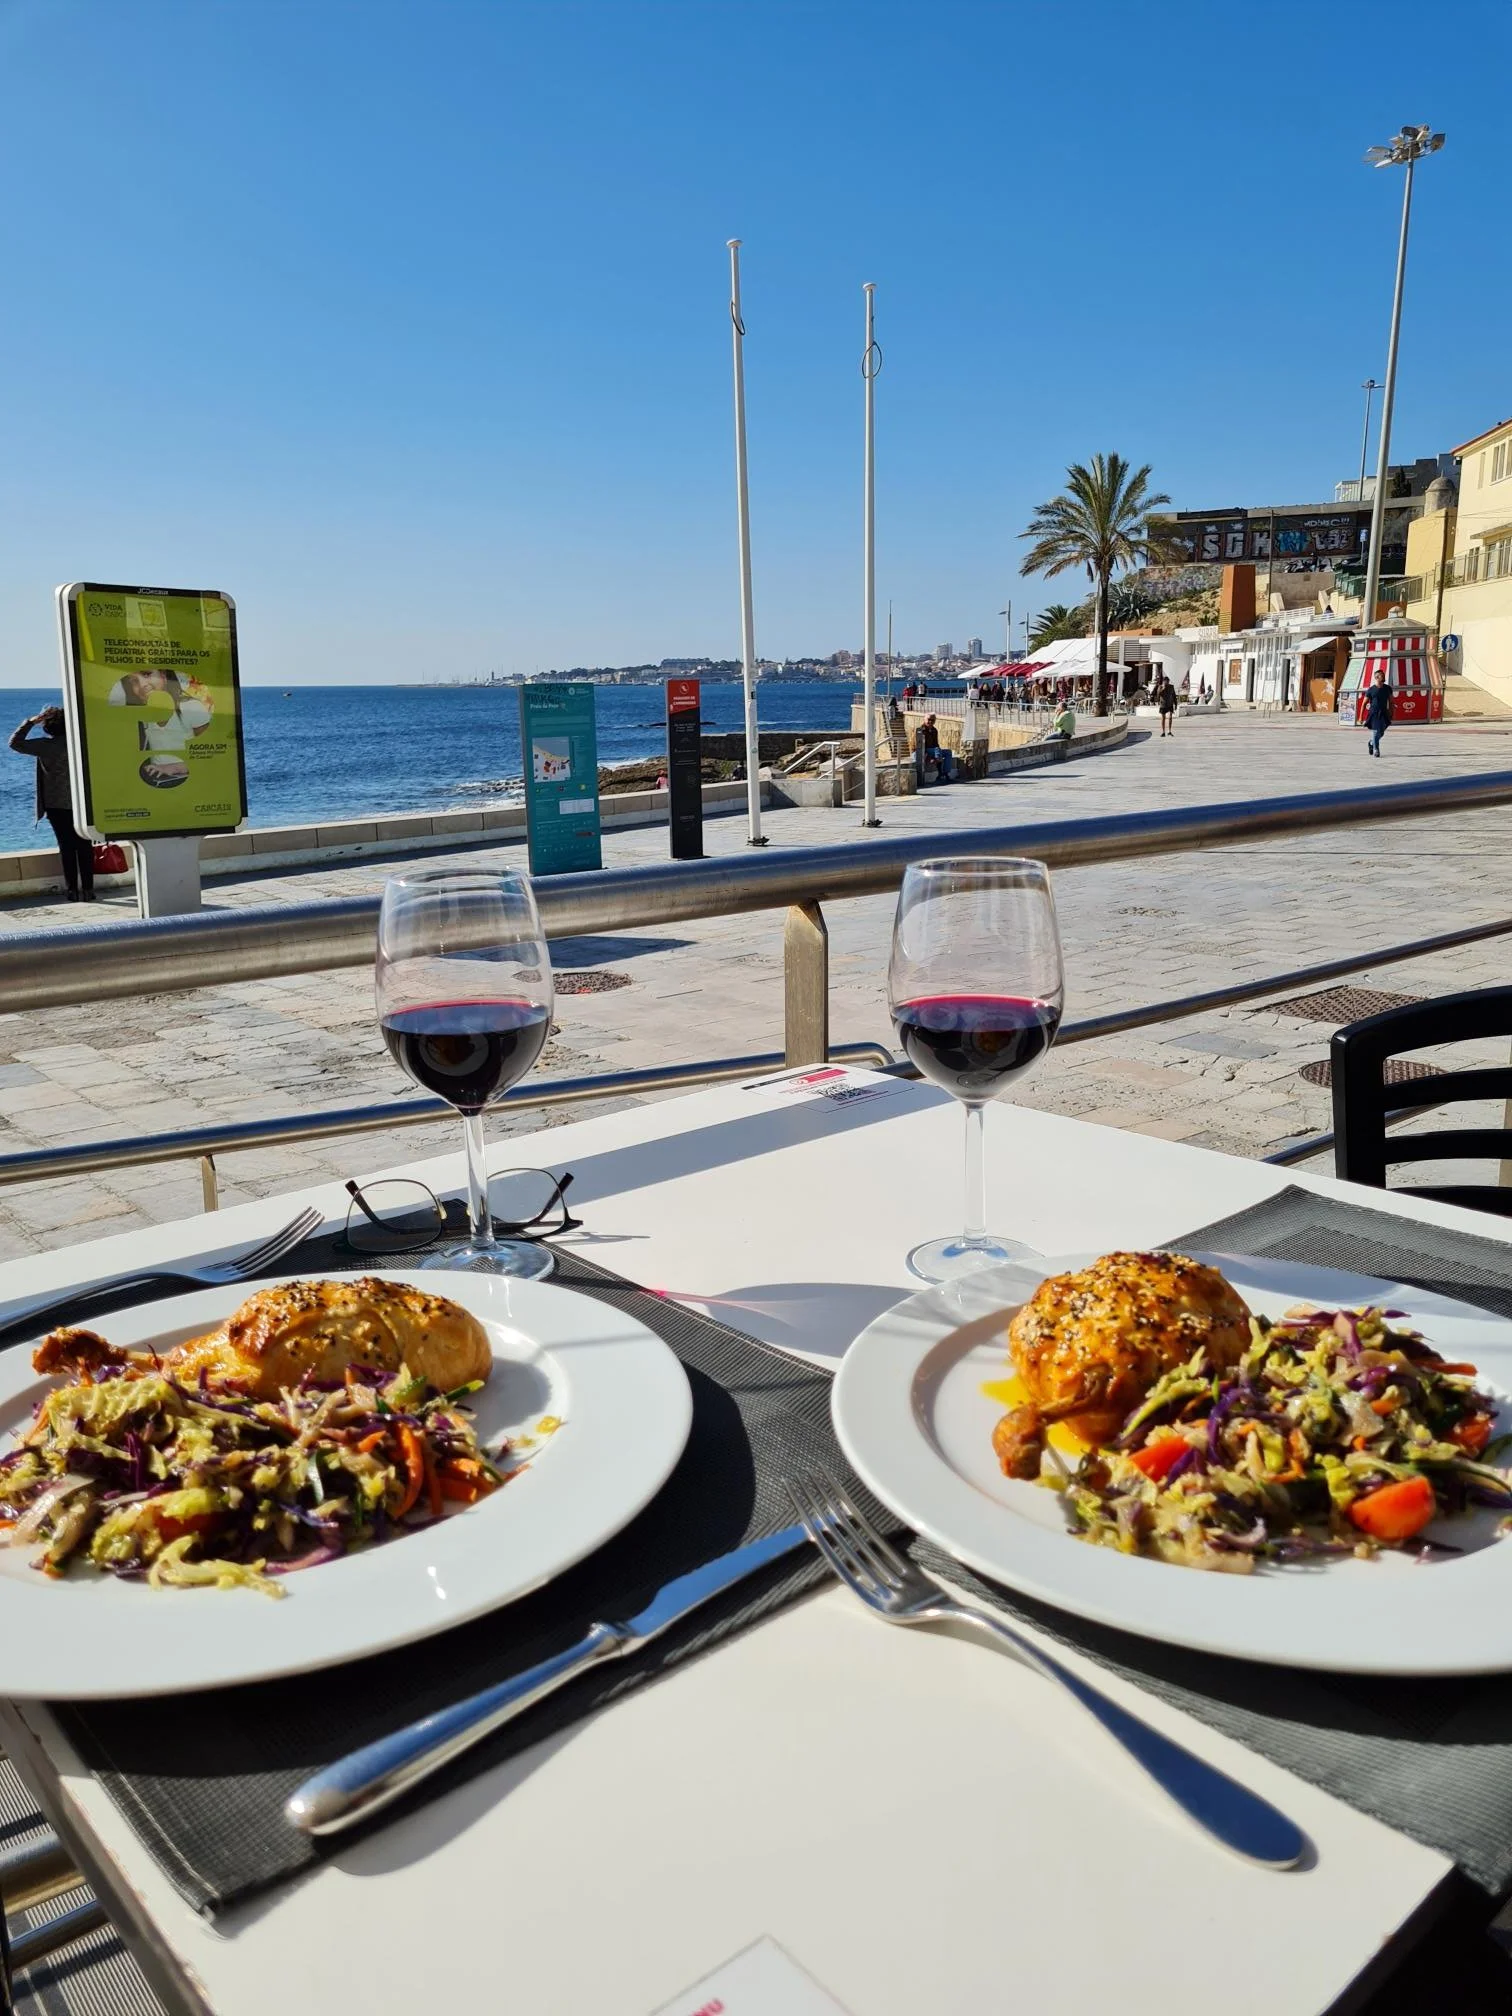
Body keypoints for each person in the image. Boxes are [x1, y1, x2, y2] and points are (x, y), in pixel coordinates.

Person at [10, 705, 93, 899]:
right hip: (83, 802)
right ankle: (89, 889)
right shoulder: (80, 743)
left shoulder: (45, 746)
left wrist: (30, 722)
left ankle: (72, 890)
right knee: (84, 845)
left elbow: (15, 743)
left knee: (66, 846)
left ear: (48, 727)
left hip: (56, 804)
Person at [1364, 669, 1393, 757]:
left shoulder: (1388, 688)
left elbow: (1391, 701)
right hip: (1374, 713)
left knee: (1381, 732)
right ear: (1377, 677)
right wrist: (1360, 717)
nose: (1383, 677)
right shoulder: (1371, 690)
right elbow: (1364, 703)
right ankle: (1376, 750)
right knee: (1376, 732)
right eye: (1381, 676)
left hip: (1384, 713)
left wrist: (1391, 712)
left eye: (1383, 675)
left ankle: (1371, 743)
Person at [1157, 674, 1177, 739]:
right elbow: (1158, 695)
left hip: (1170, 704)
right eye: (1166, 681)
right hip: (1163, 704)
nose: (1167, 682)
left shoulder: (1171, 687)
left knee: (1170, 717)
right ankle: (1163, 732)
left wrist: (1176, 704)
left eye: (1168, 681)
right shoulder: (1160, 687)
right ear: (1163, 681)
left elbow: (1174, 695)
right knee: (1163, 718)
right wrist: (1163, 688)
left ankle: (1169, 731)